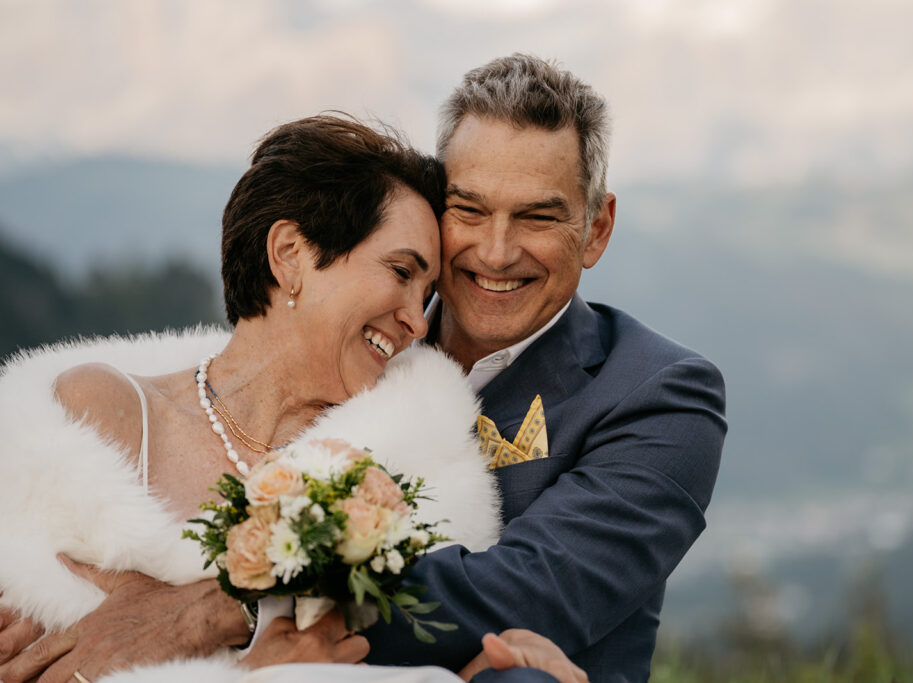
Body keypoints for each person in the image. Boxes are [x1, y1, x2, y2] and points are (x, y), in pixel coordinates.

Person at [2, 54, 726, 682]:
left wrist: (215, 609)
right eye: (468, 209)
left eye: (537, 217)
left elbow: (530, 592)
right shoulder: (352, 352)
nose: (496, 252)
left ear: (596, 227)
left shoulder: (657, 393)